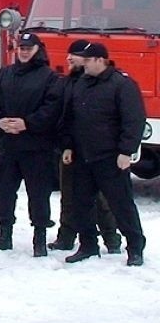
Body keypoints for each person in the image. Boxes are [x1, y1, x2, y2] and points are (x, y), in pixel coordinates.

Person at [61, 42, 146, 266]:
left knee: (122, 205)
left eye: (87, 60)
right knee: (81, 204)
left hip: (111, 158)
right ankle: (88, 245)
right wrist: (68, 145)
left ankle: (135, 247)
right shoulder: (81, 83)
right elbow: (71, 118)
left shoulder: (122, 84)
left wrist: (126, 151)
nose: (84, 64)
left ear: (100, 60)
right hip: (82, 156)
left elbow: (134, 120)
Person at [0, 32, 63, 257]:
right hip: (8, 146)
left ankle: (40, 238)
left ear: (38, 49)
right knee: (3, 190)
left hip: (37, 147)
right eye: (21, 47)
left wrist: (27, 123)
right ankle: (3, 235)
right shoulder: (3, 75)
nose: (24, 51)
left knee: (39, 194)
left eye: (29, 47)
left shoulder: (50, 78)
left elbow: (53, 108)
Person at [48, 39, 122, 253]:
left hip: (93, 149)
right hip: (68, 147)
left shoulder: (99, 82)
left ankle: (111, 237)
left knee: (98, 198)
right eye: (69, 54)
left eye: (75, 54)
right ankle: (67, 236)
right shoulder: (68, 81)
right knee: (69, 194)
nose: (69, 58)